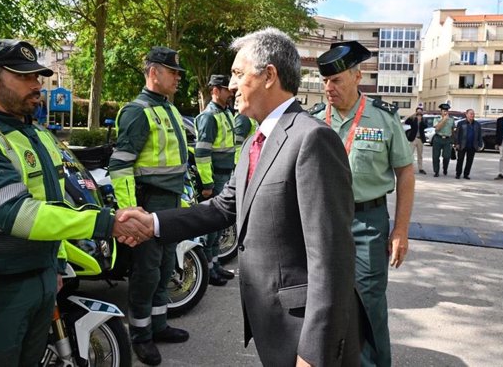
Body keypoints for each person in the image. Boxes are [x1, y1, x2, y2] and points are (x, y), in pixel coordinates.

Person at [118, 27, 365, 367]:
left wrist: (313, 351)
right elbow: (224, 207)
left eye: (237, 73)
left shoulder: (312, 140)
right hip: (273, 323)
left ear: (269, 75)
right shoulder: (255, 141)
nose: (231, 85)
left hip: (303, 331)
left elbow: (331, 257)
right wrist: (153, 223)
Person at [0, 39, 138, 365]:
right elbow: (18, 215)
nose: (37, 85)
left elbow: (55, 202)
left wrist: (57, 263)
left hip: (41, 275)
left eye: (37, 76)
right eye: (24, 77)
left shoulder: (39, 135)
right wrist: (107, 222)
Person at [315, 40, 415, 367]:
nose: (329, 88)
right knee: (324, 301)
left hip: (367, 222)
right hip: (324, 223)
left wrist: (400, 230)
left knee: (368, 303)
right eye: (325, 81)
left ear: (357, 78)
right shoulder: (315, 120)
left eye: (337, 81)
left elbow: (405, 172)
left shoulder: (383, 118)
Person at [108, 46, 190, 365]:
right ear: (154, 72)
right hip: (149, 204)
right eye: (173, 72)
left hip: (169, 202)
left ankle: (158, 326)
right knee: (146, 273)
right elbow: (120, 165)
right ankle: (140, 336)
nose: (178, 78)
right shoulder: (137, 110)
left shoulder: (167, 108)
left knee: (165, 267)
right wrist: (131, 213)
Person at [194, 74, 236, 286]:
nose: (230, 92)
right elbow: (202, 153)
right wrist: (208, 184)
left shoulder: (225, 113)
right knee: (212, 226)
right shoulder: (209, 116)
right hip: (216, 176)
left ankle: (216, 264)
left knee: (219, 225)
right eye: (226, 89)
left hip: (225, 174)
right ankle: (209, 271)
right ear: (215, 91)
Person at [454, 109, 483, 180]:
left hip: (472, 145)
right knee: (460, 160)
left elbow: (479, 135)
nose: (472, 115)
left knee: (469, 161)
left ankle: (466, 174)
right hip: (462, 145)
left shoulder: (477, 124)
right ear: (466, 114)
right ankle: (458, 174)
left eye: (473, 114)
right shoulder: (461, 123)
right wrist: (457, 143)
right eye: (471, 114)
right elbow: (457, 134)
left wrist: (479, 145)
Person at [432, 103, 454, 177]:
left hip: (447, 139)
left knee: (447, 156)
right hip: (438, 138)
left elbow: (452, 129)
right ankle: (436, 171)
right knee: (435, 156)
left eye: (447, 111)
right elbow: (437, 128)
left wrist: (453, 140)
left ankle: (445, 168)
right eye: (444, 111)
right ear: (441, 111)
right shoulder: (437, 118)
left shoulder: (451, 119)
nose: (446, 112)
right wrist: (444, 120)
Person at [404, 106, 427, 174]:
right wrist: (414, 115)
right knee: (410, 154)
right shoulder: (413, 119)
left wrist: (421, 120)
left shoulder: (423, 120)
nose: (419, 114)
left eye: (420, 112)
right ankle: (410, 168)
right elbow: (406, 121)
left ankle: (420, 168)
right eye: (418, 112)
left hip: (420, 139)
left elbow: (426, 126)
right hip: (413, 139)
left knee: (420, 155)